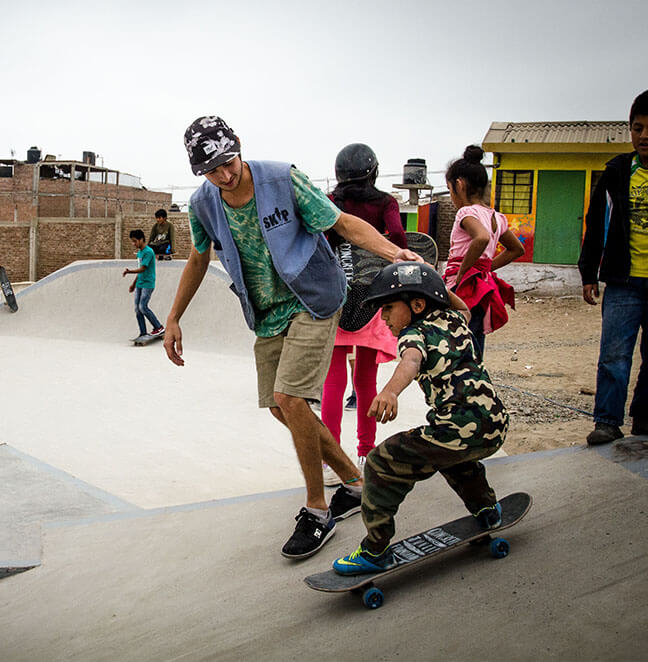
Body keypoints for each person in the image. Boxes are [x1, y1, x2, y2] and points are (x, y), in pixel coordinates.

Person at [165, 116, 421, 559]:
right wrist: (173, 318)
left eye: (228, 162)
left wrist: (393, 251)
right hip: (266, 313)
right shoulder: (204, 203)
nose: (224, 175)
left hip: (315, 298)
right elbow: (198, 258)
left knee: (291, 397)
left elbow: (341, 223)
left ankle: (317, 509)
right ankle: (355, 481)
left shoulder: (283, 179)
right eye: (212, 170)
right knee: (279, 408)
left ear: (239, 146)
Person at [331, 262, 508, 575]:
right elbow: (463, 305)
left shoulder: (413, 335)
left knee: (380, 463)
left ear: (417, 304)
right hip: (494, 424)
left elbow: (411, 361)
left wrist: (389, 391)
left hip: (456, 430)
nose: (383, 318)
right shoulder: (456, 319)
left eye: (387, 308)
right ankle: (486, 510)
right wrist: (431, 278)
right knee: (455, 460)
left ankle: (376, 550)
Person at [579, 88, 648, 445]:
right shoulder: (618, 171)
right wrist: (589, 272)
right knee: (614, 355)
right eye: (637, 128)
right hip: (623, 282)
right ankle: (607, 421)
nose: (644, 136)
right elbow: (595, 222)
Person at [321, 143, 409, 485]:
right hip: (372, 298)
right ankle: (366, 453)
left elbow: (321, 238)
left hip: (335, 298)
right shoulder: (386, 202)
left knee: (332, 381)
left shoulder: (331, 201)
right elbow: (399, 237)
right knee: (366, 380)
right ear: (373, 171)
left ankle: (330, 464)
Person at [442, 146, 525, 358]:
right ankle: (475, 381)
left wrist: (463, 271)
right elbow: (516, 249)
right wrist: (485, 267)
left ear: (459, 185)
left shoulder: (466, 212)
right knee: (475, 338)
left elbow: (481, 237)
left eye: (450, 190)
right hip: (483, 285)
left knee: (457, 337)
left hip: (464, 286)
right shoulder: (495, 217)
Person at [122, 229, 164, 339]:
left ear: (141, 239)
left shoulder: (148, 252)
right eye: (132, 241)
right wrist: (133, 284)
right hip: (140, 283)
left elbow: (143, 269)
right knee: (137, 308)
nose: (134, 244)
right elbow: (140, 271)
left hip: (148, 283)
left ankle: (158, 327)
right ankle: (143, 332)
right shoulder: (140, 253)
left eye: (135, 241)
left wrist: (129, 271)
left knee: (143, 306)